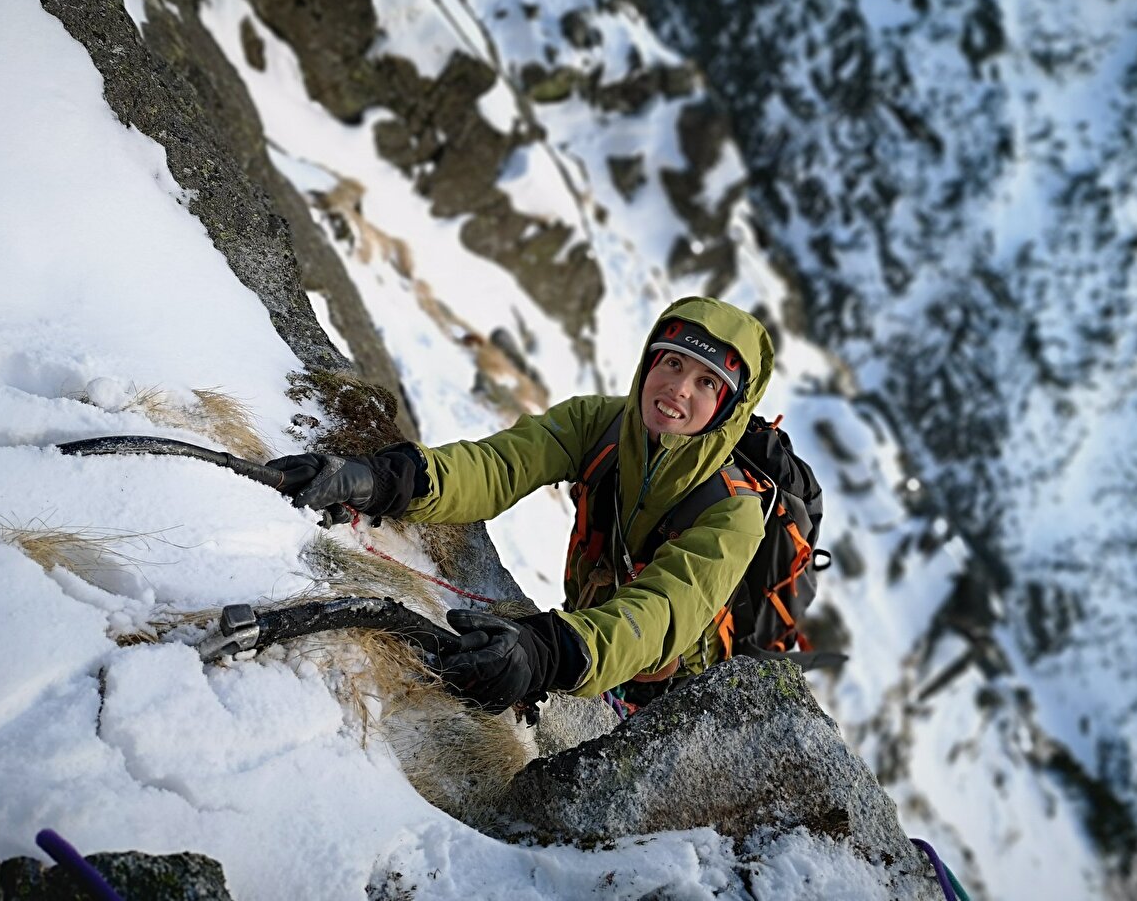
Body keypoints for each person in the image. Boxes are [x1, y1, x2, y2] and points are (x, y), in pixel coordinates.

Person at [269, 297, 774, 713]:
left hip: (667, 687)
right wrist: (389, 479)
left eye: (707, 383)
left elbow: (662, 613)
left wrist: (546, 652)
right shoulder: (600, 425)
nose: (678, 388)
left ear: (729, 408)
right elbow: (499, 467)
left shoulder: (735, 511)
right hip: (579, 640)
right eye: (672, 362)